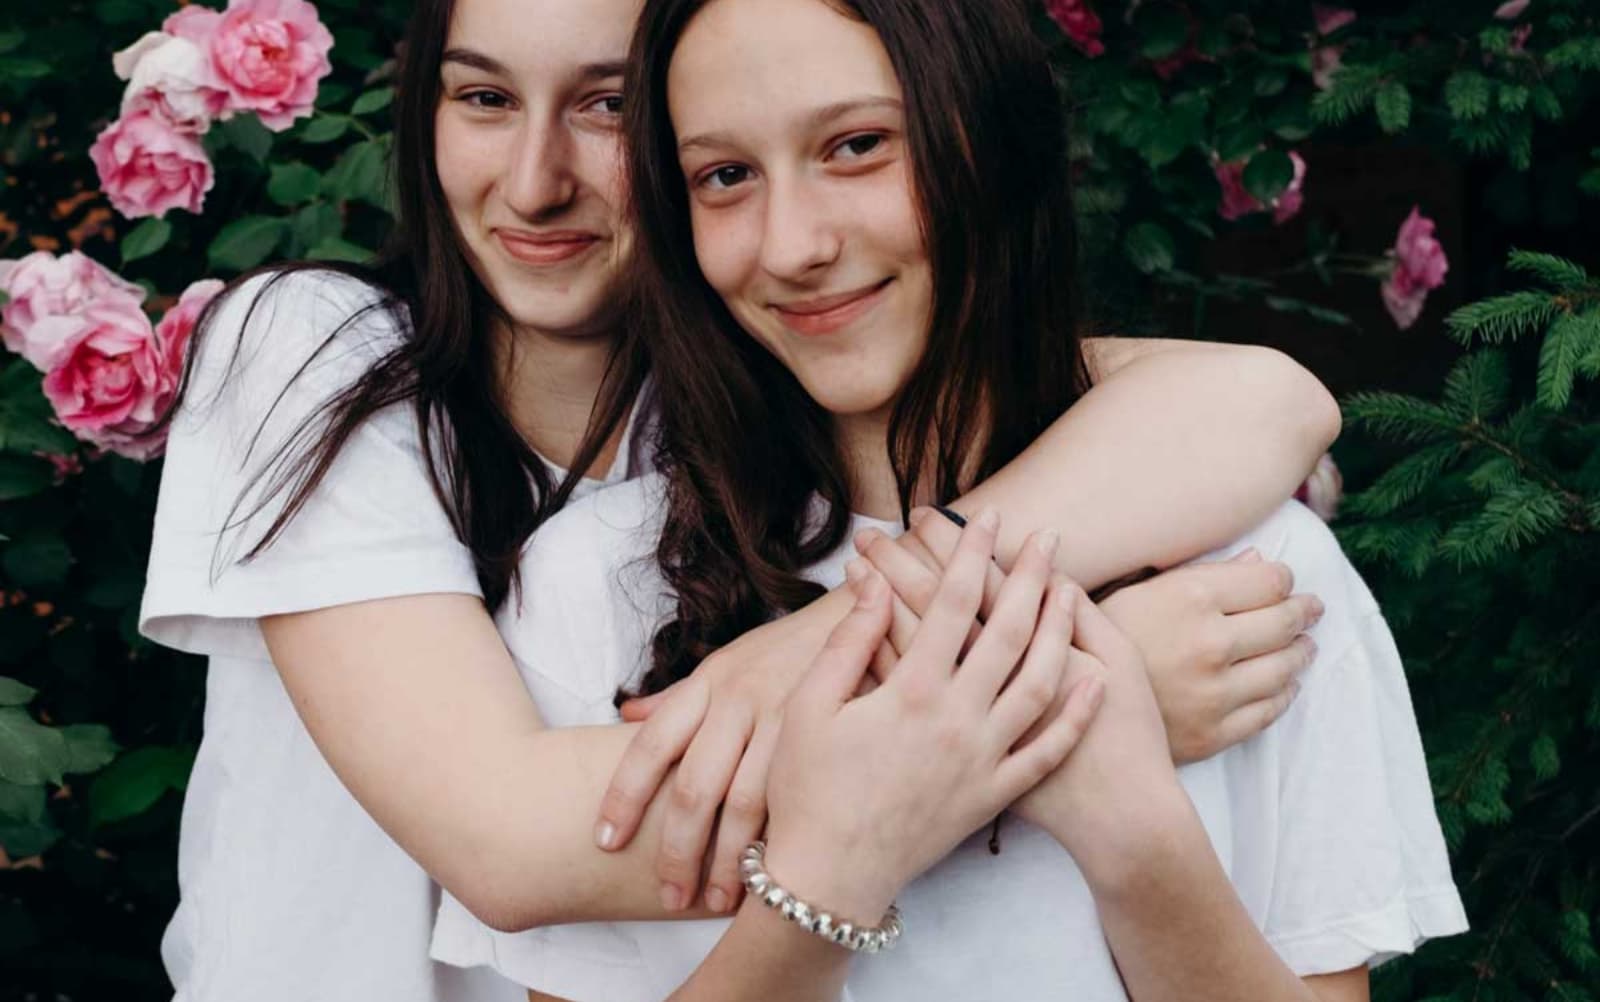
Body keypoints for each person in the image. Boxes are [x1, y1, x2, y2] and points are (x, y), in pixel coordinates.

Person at [141, 0, 1341, 999]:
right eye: (483, 97)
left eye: (607, 105)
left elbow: (1259, 400)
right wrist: (1062, 691)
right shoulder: (313, 351)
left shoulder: (763, 382)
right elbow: (507, 839)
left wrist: (819, 649)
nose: (534, 180)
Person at [426, 0, 1468, 998]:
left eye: (855, 147)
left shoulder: (1244, 580)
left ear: (989, 140)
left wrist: (1136, 833)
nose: (792, 245)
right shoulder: (596, 585)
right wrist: (828, 872)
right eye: (725, 174)